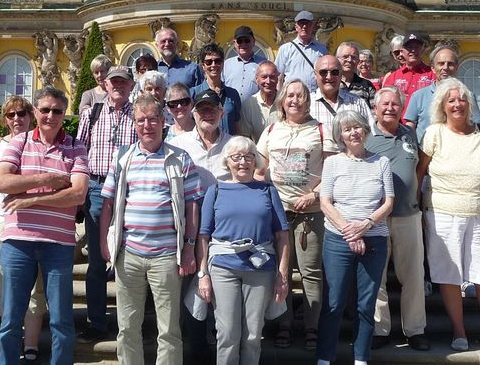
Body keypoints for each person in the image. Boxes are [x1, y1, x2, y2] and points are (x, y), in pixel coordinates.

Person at [99, 94, 203, 365]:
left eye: (153, 119)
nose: (147, 125)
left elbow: (193, 206)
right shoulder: (122, 158)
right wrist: (103, 242)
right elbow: (107, 203)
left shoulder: (180, 159)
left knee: (168, 329)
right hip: (129, 254)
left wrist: (189, 247)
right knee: (127, 326)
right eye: (141, 120)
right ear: (134, 124)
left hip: (167, 256)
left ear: (162, 122)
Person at [416, 78, 480, 352]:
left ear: (469, 104)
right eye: (451, 100)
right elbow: (419, 173)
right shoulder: (434, 133)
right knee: (449, 275)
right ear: (443, 106)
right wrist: (414, 208)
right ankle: (458, 332)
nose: (457, 104)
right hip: (443, 214)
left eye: (461, 99)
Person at [0, 87, 90, 365]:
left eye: (57, 111)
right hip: (18, 242)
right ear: (35, 112)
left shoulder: (76, 147)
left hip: (58, 245)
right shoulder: (18, 143)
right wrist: (46, 178)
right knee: (11, 318)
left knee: (61, 320)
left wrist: (28, 201)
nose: (50, 115)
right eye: (45, 109)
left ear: (64, 114)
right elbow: (0, 182)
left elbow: (78, 194)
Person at [255, 79, 336, 350]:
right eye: (290, 96)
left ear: (307, 100)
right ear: (282, 100)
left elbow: (334, 171)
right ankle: (285, 324)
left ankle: (312, 327)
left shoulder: (321, 131)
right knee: (283, 273)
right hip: (278, 215)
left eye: (300, 96)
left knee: (311, 273)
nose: (295, 100)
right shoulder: (272, 130)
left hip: (310, 214)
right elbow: (259, 168)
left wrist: (314, 195)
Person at [196, 136, 290, 365]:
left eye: (248, 156)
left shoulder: (268, 190)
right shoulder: (215, 191)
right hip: (223, 268)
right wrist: (203, 274)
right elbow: (203, 236)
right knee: (227, 333)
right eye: (236, 157)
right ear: (227, 161)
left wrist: (283, 274)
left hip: (261, 268)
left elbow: (283, 236)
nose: (243, 162)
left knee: (253, 335)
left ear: (255, 160)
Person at [316, 111, 394, 365]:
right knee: (334, 302)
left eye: (358, 128)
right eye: (348, 129)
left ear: (366, 131)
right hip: (338, 240)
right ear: (340, 135)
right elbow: (325, 201)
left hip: (374, 240)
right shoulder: (332, 163)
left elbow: (389, 202)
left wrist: (367, 224)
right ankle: (325, 358)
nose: (354, 133)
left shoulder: (381, 162)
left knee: (366, 303)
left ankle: (361, 358)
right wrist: (349, 230)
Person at [0, 96, 46, 362]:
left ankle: (30, 346)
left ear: (30, 116)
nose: (17, 119)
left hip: (35, 224)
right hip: (3, 223)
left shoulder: (40, 142)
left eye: (21, 113)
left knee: (34, 289)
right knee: (5, 287)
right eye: (10, 115)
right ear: (5, 119)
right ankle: (10, 346)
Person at [75, 65, 139, 344]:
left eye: (123, 82)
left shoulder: (139, 114)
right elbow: (79, 151)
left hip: (130, 190)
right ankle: (97, 321)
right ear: (106, 85)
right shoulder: (93, 113)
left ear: (131, 85)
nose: (118, 86)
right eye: (114, 82)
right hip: (98, 188)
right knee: (97, 259)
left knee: (129, 258)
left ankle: (129, 324)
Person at [365, 87, 430, 351]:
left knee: (413, 274)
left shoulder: (410, 135)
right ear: (375, 108)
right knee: (376, 277)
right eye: (385, 104)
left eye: (395, 104)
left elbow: (418, 170)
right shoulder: (366, 137)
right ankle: (380, 330)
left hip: (408, 215)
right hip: (376, 218)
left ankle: (415, 330)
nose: (390, 108)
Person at [404, 45, 480, 145]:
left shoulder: (468, 96)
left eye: (450, 64)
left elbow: (477, 127)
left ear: (456, 67)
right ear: (433, 68)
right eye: (441, 63)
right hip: (426, 156)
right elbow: (410, 126)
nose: (445, 68)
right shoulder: (418, 96)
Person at [170, 89, 232, 197]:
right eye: (202, 110)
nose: (207, 114)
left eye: (212, 109)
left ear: (222, 114)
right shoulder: (177, 145)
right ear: (194, 114)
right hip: (191, 208)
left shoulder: (234, 145)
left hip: (225, 208)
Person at [310, 55, 372, 150]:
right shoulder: (306, 105)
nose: (329, 77)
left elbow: (370, 136)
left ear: (341, 74)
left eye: (334, 72)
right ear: (315, 74)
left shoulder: (358, 102)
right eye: (323, 72)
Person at [190, 43, 243, 135]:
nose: (213, 65)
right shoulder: (194, 93)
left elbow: (237, 125)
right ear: (203, 66)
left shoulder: (233, 94)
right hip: (205, 147)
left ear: (222, 64)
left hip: (229, 146)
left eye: (217, 61)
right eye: (209, 62)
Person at [275, 10, 328, 92]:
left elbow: (326, 74)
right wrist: (279, 96)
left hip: (313, 96)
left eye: (307, 23)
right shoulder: (285, 49)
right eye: (301, 23)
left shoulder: (321, 49)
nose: (304, 26)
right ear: (296, 27)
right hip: (292, 96)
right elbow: (279, 75)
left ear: (313, 26)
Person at [382, 33, 435, 114]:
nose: (413, 50)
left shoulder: (433, 74)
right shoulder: (393, 77)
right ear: (402, 51)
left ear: (423, 50)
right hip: (400, 124)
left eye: (416, 47)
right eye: (409, 47)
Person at [237, 61, 280, 141]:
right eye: (264, 77)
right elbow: (245, 138)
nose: (268, 81)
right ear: (257, 79)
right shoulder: (248, 105)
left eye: (272, 77)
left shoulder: (286, 102)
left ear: (277, 79)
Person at [223, 25, 267, 99]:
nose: (243, 44)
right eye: (240, 41)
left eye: (247, 40)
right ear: (234, 43)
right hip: (232, 109)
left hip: (255, 109)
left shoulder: (264, 64)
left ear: (253, 42)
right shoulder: (225, 65)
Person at [337, 42, 376, 108]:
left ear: (357, 61)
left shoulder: (367, 86)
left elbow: (375, 112)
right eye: (345, 57)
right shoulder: (331, 82)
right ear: (337, 59)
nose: (349, 60)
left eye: (353, 57)